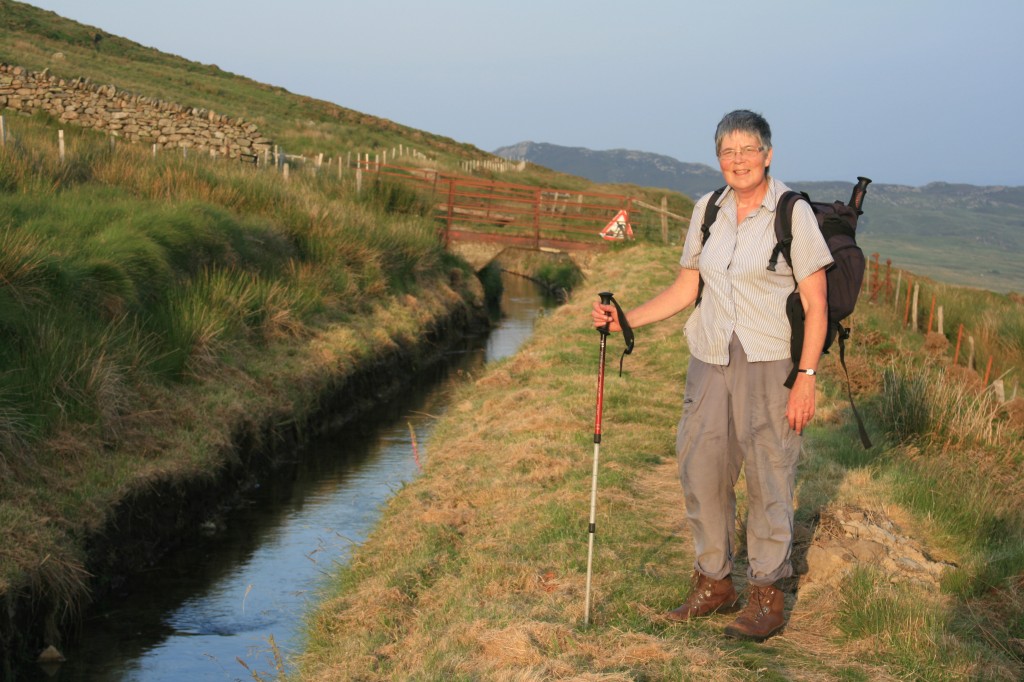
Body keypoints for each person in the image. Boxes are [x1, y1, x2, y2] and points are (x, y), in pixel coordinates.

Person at [591, 109, 833, 642]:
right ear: (718, 157)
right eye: (728, 151)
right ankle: (714, 581)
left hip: (772, 361)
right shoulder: (708, 210)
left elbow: (817, 305)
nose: (738, 159)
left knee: (770, 472)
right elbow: (686, 289)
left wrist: (808, 375)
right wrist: (625, 317)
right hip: (710, 356)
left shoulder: (792, 214)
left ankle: (767, 593)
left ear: (768, 155)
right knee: (700, 464)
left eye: (749, 149)